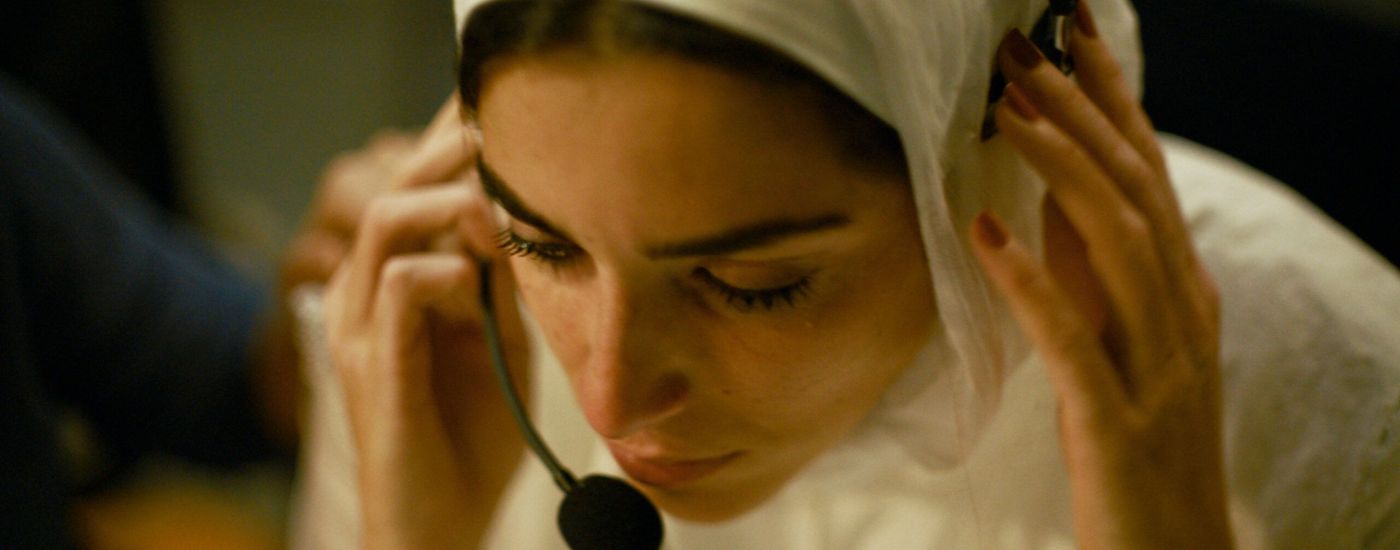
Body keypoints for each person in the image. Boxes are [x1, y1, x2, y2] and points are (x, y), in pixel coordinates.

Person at [296, 0, 1400, 548]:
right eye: (542, 243)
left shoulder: (1340, 399)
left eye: (755, 283)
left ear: (982, 165)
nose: (609, 400)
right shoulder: (432, 332)